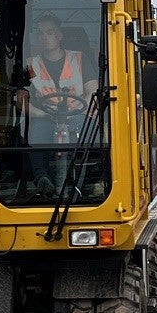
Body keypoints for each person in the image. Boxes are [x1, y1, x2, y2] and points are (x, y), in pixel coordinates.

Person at [20, 13, 97, 192]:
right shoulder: (31, 65)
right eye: (40, 34)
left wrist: (79, 113)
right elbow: (21, 98)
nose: (45, 37)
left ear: (60, 35)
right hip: (47, 115)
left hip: (78, 113)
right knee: (37, 131)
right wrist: (41, 114)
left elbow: (93, 91)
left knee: (83, 132)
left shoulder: (79, 59)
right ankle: (42, 179)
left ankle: (82, 177)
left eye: (50, 32)